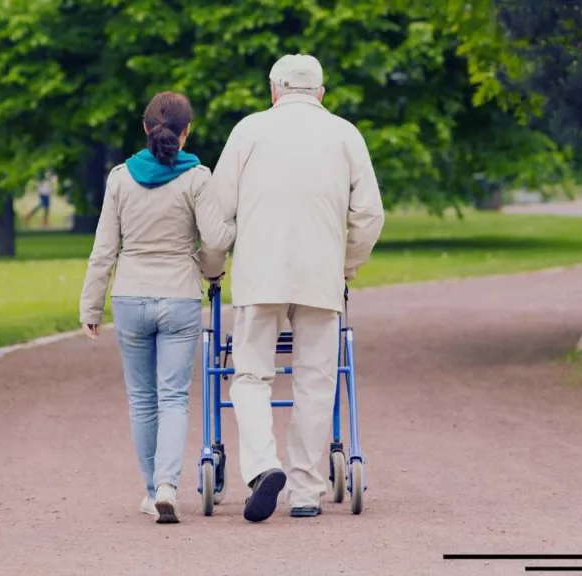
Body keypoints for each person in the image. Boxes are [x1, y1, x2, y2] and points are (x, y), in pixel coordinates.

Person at [205, 54, 385, 522]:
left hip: (258, 274)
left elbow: (218, 212)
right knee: (315, 379)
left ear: (274, 91)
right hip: (319, 275)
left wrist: (212, 268)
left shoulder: (248, 130)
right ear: (321, 94)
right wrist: (346, 266)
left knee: (250, 375)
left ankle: (263, 465)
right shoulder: (346, 134)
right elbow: (369, 215)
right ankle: (306, 490)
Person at [79, 91, 236, 524]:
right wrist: (209, 270)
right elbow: (217, 240)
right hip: (179, 296)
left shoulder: (119, 179)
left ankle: (151, 491)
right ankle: (168, 485)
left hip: (130, 297)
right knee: (173, 397)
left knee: (142, 400)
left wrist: (91, 306)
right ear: (186, 132)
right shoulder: (197, 179)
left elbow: (104, 250)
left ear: (146, 127)